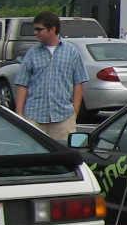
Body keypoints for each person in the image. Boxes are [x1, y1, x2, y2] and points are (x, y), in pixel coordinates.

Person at [12, 12, 88, 142]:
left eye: (39, 29)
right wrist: (19, 113)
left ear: (52, 29)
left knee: (62, 152)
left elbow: (78, 83)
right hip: (34, 115)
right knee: (34, 151)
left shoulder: (72, 51)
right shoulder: (32, 53)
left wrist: (74, 113)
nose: (35, 32)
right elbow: (22, 83)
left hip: (63, 116)